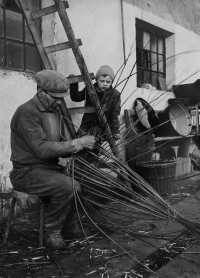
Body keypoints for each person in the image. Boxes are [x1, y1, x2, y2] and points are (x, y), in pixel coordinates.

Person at [9, 70, 96, 249]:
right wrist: (77, 144)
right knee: (68, 187)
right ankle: (52, 231)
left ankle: (69, 224)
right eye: (55, 98)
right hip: (26, 172)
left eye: (61, 98)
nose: (59, 102)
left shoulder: (53, 110)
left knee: (84, 179)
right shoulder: (27, 112)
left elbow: (59, 144)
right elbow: (42, 149)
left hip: (48, 170)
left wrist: (81, 147)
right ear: (41, 92)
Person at [70, 65, 121, 141]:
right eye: (102, 81)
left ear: (112, 82)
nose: (105, 84)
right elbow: (77, 97)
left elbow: (115, 114)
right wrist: (73, 83)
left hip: (103, 124)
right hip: (88, 122)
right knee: (79, 139)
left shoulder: (115, 95)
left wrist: (116, 131)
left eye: (108, 82)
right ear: (97, 80)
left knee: (94, 141)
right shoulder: (90, 89)